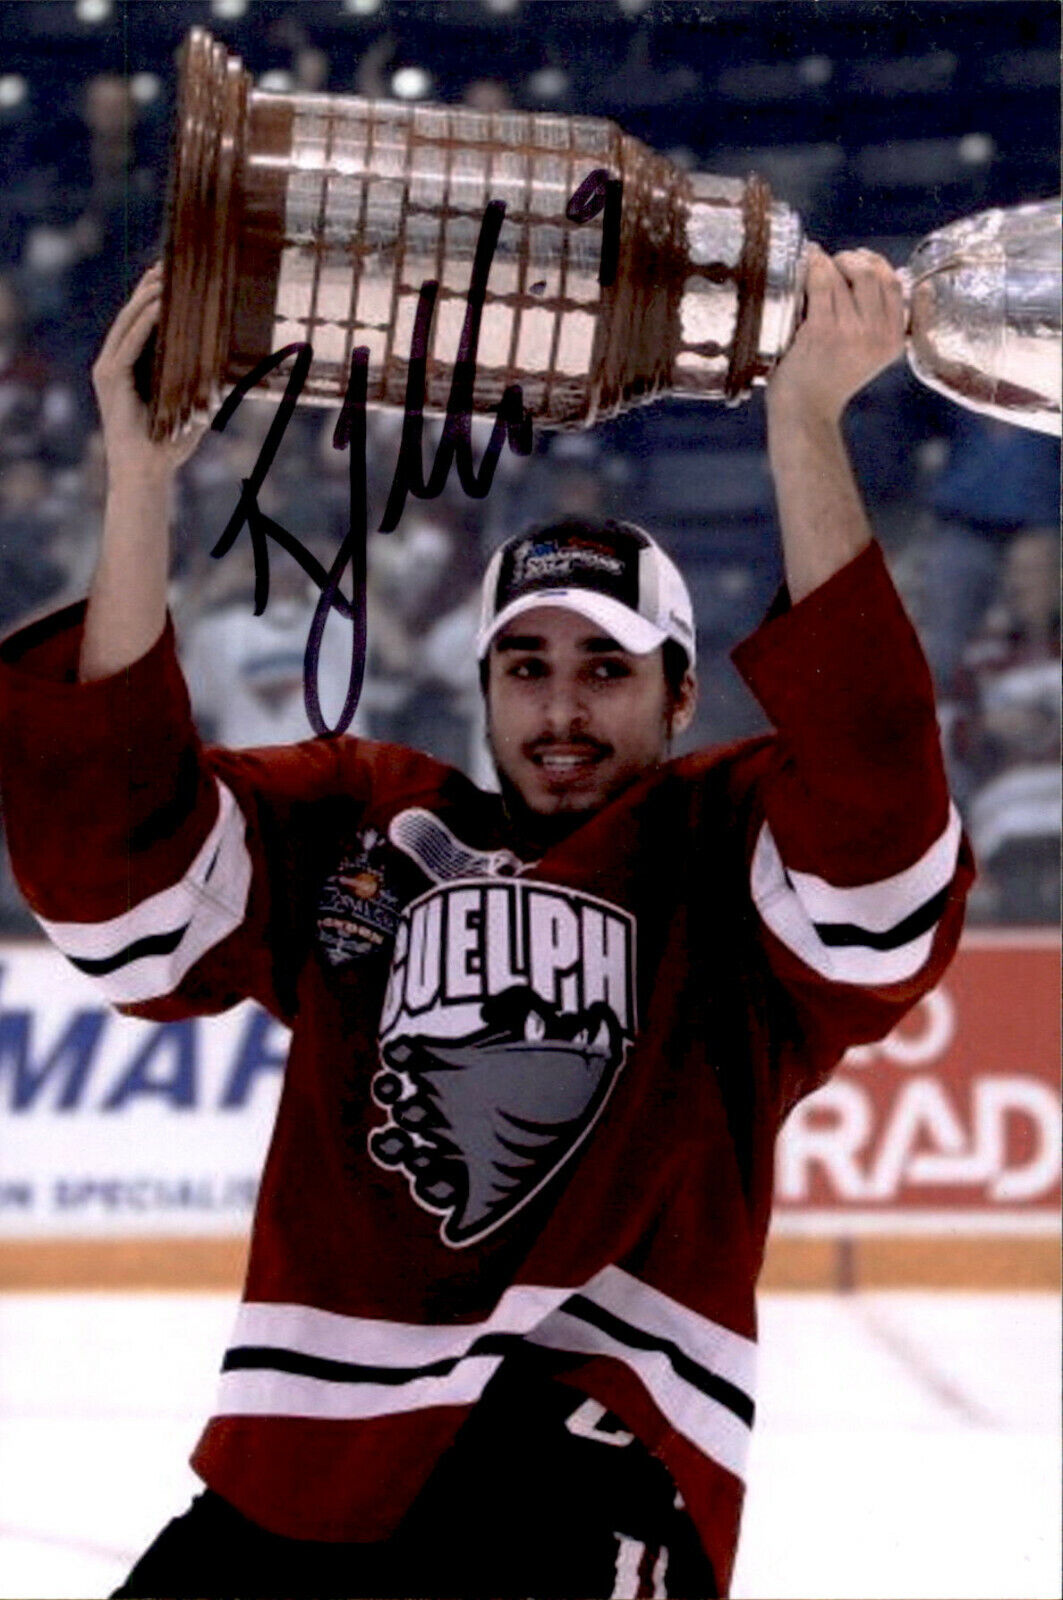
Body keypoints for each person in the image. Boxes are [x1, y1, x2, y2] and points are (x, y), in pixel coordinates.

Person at [0, 246, 972, 1600]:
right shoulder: (365, 820)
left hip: (583, 1468)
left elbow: (881, 871)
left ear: (682, 698)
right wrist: (144, 485)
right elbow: (124, 897)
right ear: (484, 683)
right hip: (307, 1470)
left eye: (606, 670)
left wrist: (803, 421)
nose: (562, 709)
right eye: (528, 666)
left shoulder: (721, 852)